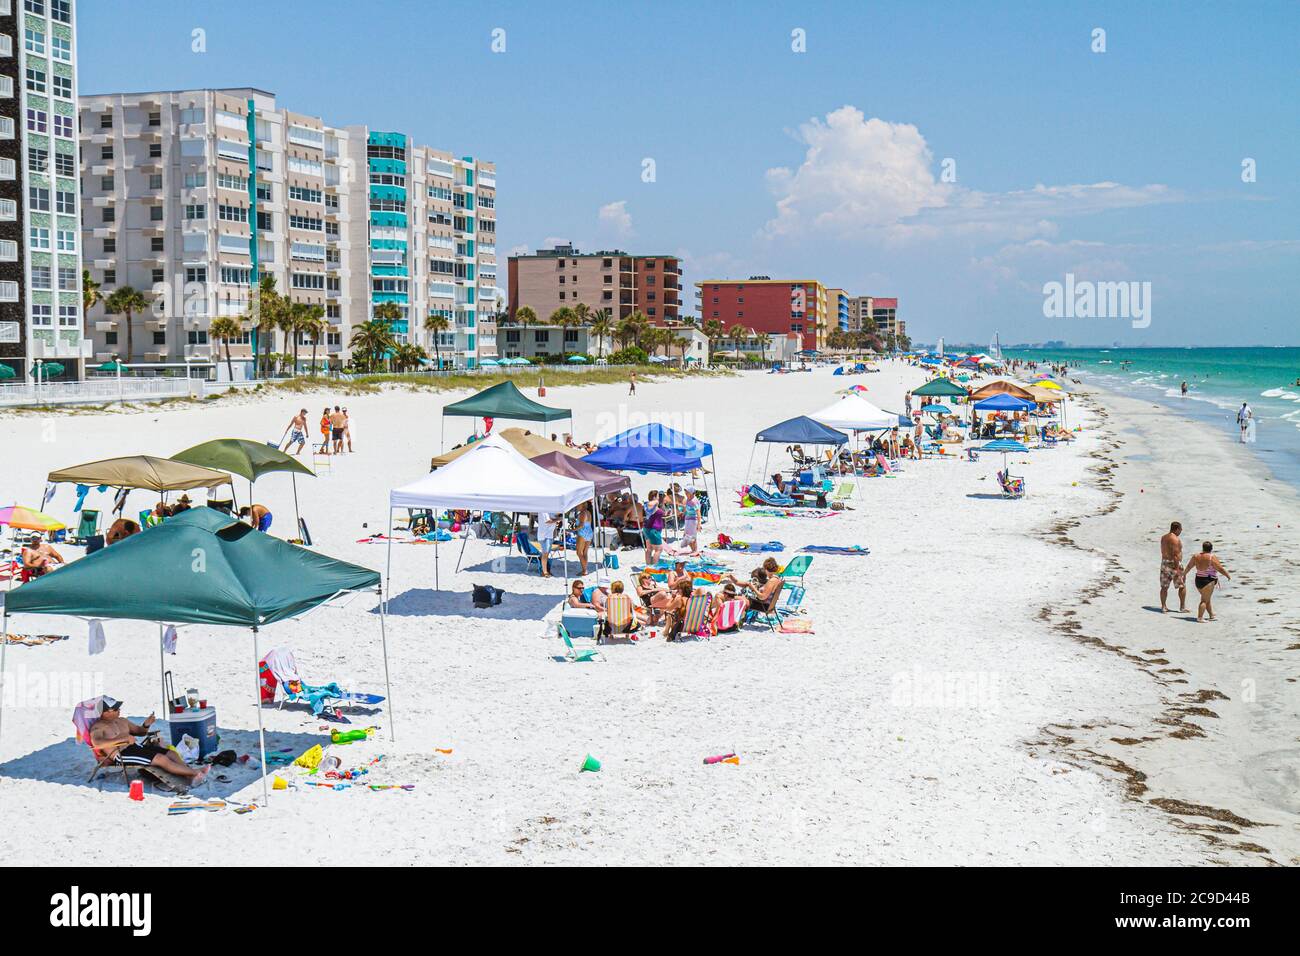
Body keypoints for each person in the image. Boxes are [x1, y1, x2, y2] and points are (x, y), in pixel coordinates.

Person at [89, 697, 210, 785]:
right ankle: (194, 773)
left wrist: (146, 724)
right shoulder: (98, 727)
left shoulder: (122, 721)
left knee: (171, 753)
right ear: (105, 712)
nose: (119, 710)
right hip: (120, 755)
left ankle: (188, 774)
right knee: (161, 759)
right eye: (115, 709)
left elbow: (140, 732)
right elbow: (97, 743)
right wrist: (123, 739)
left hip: (136, 748)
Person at [1184, 541, 1231, 622]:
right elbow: (1220, 568)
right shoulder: (1211, 557)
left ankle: (1211, 615)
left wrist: (1184, 574)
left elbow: (1189, 566)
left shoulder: (1196, 556)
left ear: (1203, 548)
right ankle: (1200, 617)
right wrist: (1227, 575)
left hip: (1198, 580)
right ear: (1211, 549)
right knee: (1204, 600)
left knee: (1207, 598)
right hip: (1208, 581)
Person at [1159, 521, 1186, 613]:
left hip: (1164, 562)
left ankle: (1163, 607)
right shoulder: (1175, 539)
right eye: (1180, 529)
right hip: (1174, 564)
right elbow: (1175, 555)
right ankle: (1182, 607)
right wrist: (1178, 569)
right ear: (1177, 529)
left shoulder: (1163, 538)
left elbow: (1163, 550)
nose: (1181, 531)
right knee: (1182, 585)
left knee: (1164, 586)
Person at [642, 491, 665, 566]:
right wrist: (656, 501)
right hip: (653, 530)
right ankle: (654, 567)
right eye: (658, 495)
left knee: (649, 549)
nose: (659, 497)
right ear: (654, 496)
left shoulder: (652, 505)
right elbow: (649, 507)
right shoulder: (652, 503)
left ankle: (648, 565)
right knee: (658, 550)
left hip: (648, 528)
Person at [536, 511, 561, 578]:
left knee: (546, 554)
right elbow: (548, 521)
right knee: (545, 553)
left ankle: (544, 570)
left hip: (549, 535)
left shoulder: (549, 509)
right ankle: (544, 572)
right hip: (544, 536)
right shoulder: (543, 510)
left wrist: (558, 517)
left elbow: (555, 515)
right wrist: (558, 519)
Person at [574, 502, 595, 574]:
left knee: (579, 552)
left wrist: (572, 530)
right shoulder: (588, 512)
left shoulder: (582, 513)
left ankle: (585, 570)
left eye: (578, 505)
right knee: (585, 552)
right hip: (589, 532)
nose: (576, 506)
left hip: (583, 532)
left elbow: (581, 525)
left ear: (582, 505)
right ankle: (584, 569)